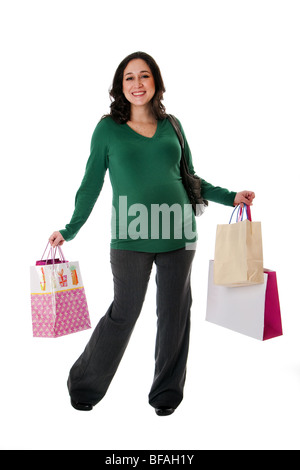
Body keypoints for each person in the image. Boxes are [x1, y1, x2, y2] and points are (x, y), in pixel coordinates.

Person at [49, 51, 255, 416]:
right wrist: (71, 228)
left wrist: (230, 197)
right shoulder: (107, 129)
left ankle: (166, 395)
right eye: (129, 77)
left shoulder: (172, 124)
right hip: (131, 237)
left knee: (174, 312)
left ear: (156, 83)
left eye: (144, 76)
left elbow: (190, 177)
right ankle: (84, 384)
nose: (137, 84)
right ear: (120, 86)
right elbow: (91, 183)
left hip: (179, 234)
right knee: (124, 312)